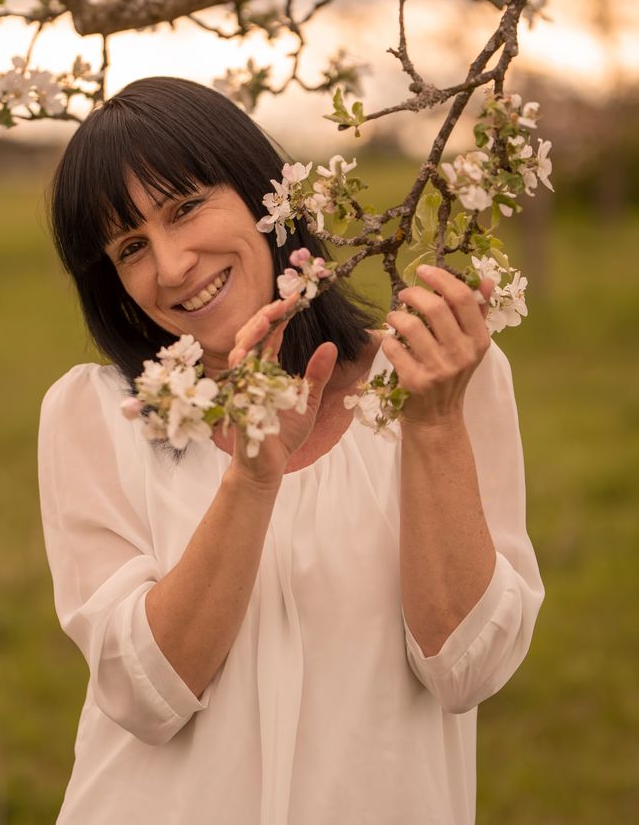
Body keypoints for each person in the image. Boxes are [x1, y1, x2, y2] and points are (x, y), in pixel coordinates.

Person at [38, 76, 544, 825]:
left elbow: (467, 669)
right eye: (131, 247)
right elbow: (142, 696)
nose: (173, 264)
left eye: (185, 208)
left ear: (259, 192)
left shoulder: (436, 376)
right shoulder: (98, 414)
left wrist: (432, 426)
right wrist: (249, 479)